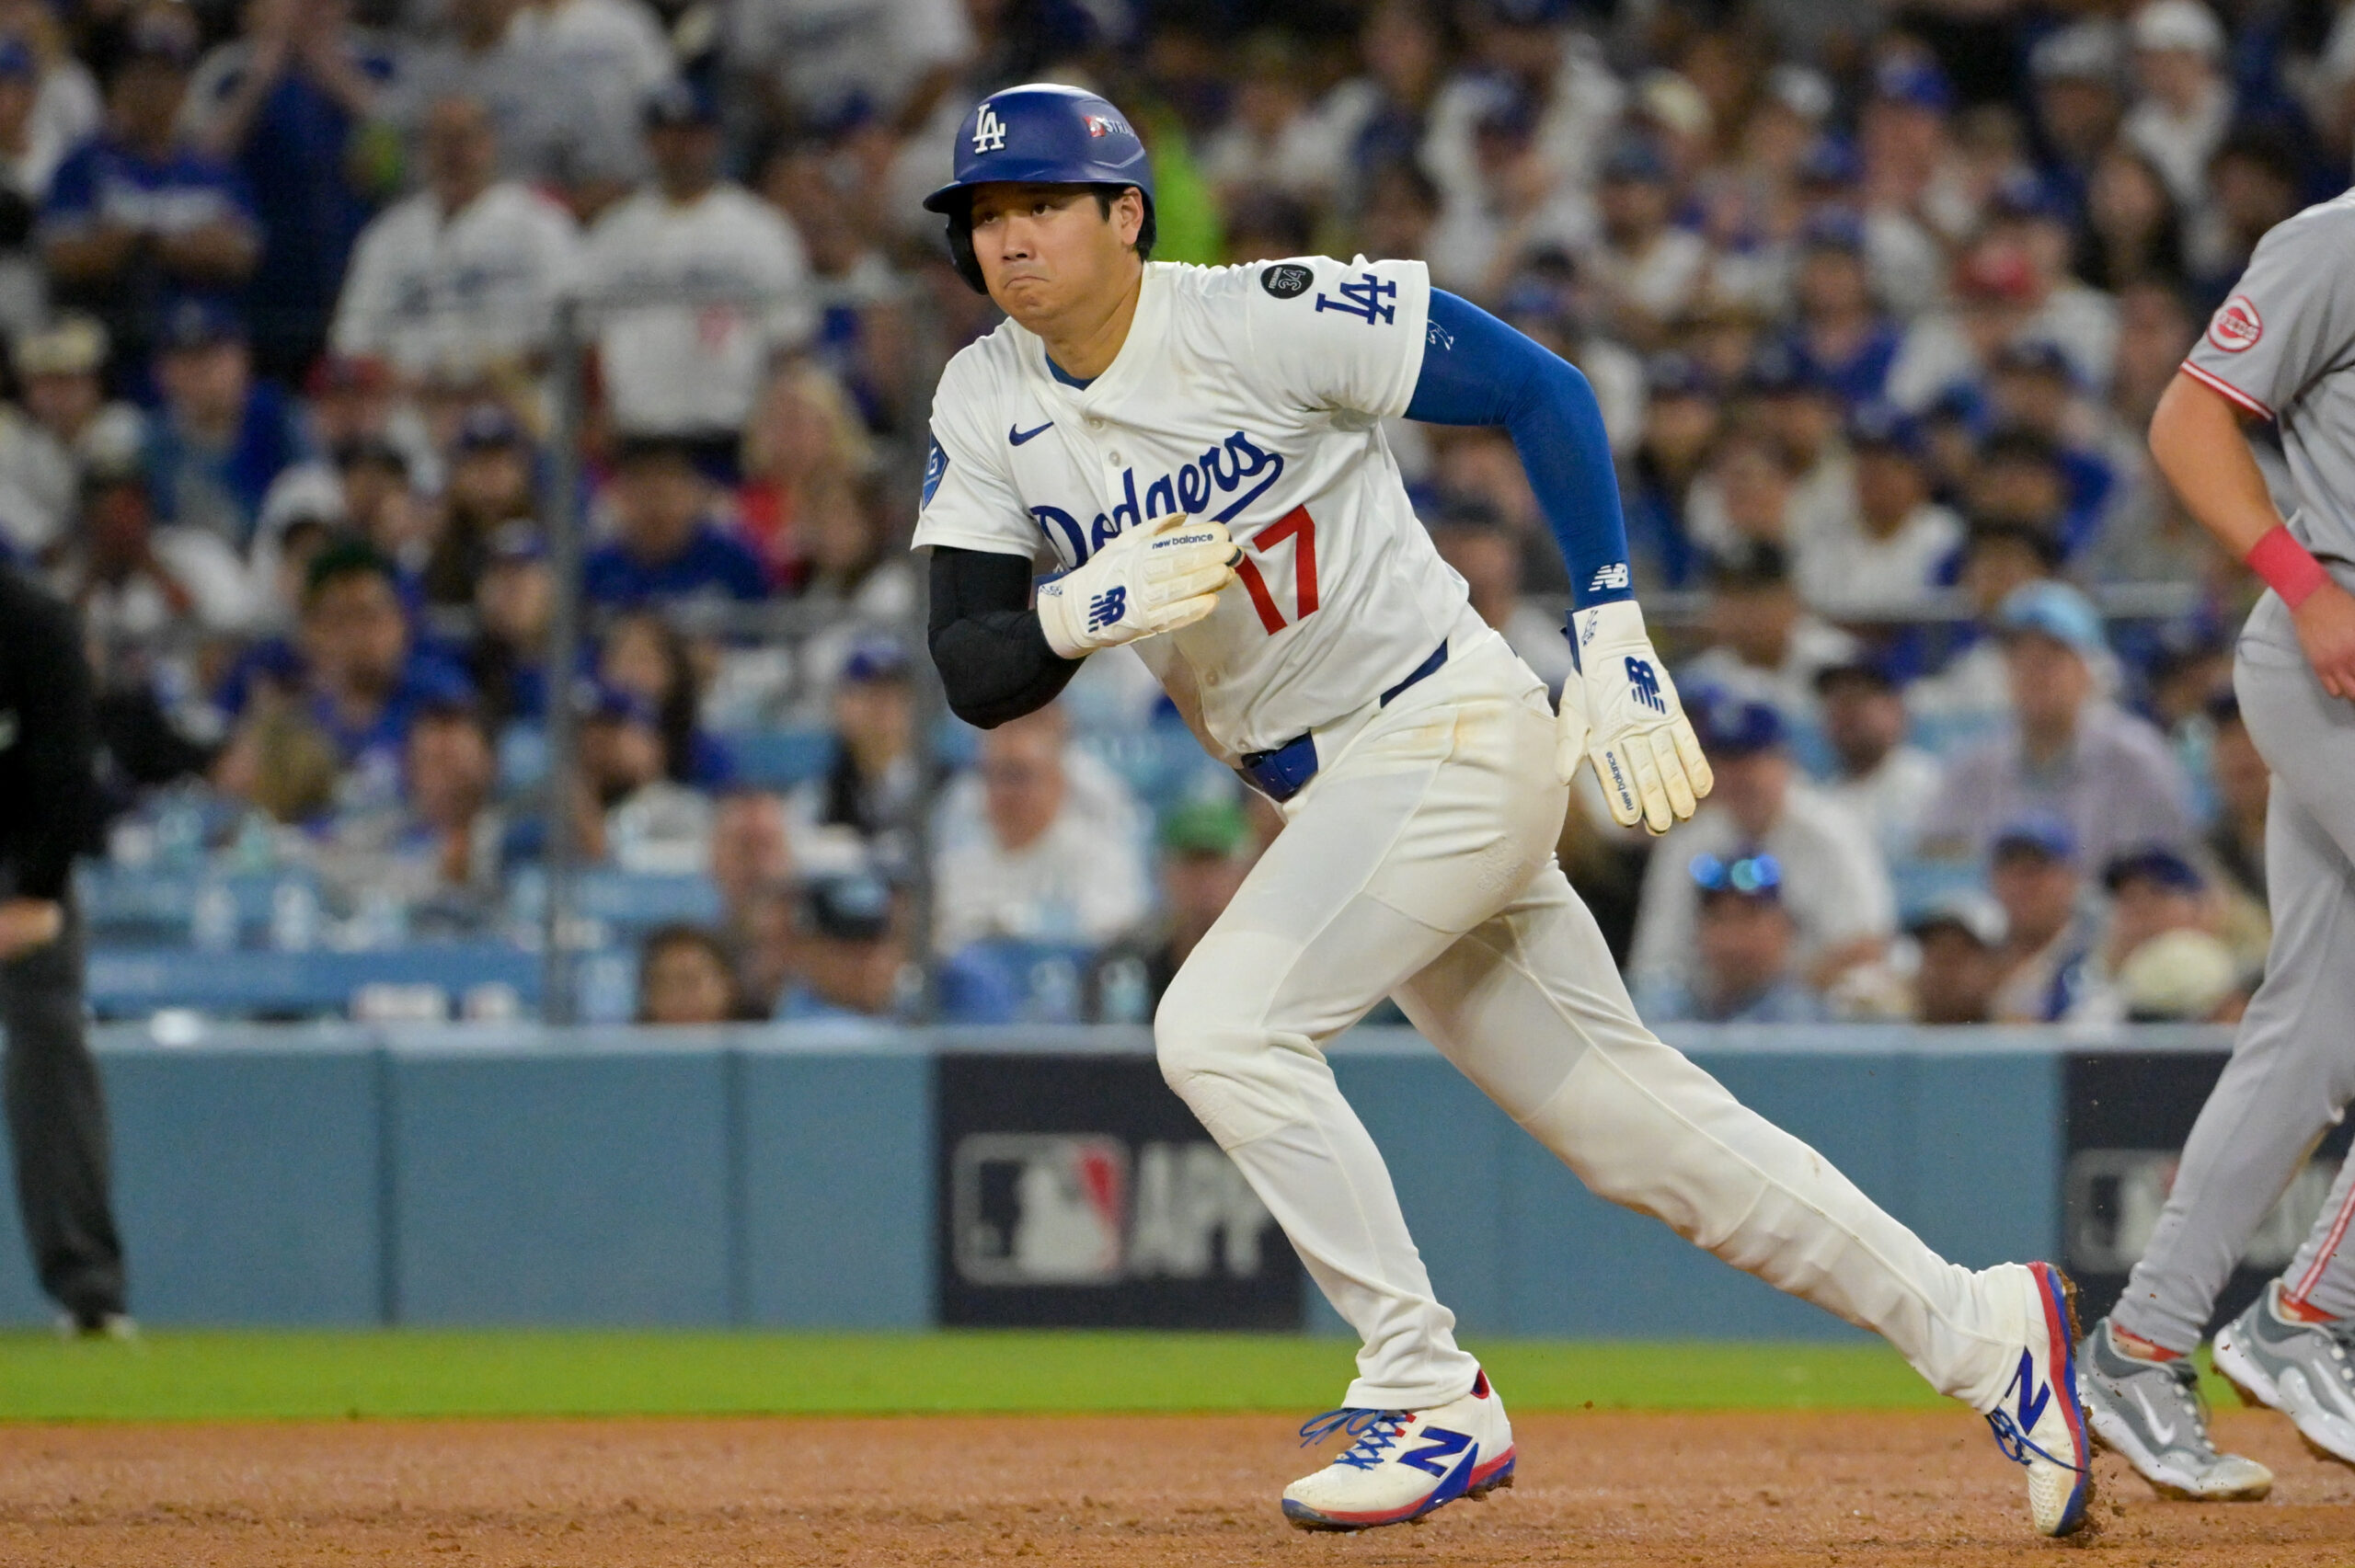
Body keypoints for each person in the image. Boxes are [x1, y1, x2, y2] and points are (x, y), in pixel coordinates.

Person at [913, 83, 2092, 1538]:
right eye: (984, 217)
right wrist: (1080, 606)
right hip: (1342, 792)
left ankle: (1426, 1388)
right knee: (1642, 1134)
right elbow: (971, 669)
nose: (1008, 240)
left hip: (1445, 727)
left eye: (1038, 205)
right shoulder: (984, 397)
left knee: (1216, 1027)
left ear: (1125, 214)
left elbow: (1545, 388)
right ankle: (1987, 1330)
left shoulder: (1255, 315)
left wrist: (1609, 623)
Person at [2075, 178, 2355, 1500]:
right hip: (2335, 640)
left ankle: (2138, 1349)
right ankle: (2310, 1319)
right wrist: (2301, 591)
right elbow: (2187, 420)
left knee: (2311, 1030)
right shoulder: (2337, 239)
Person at [0, 565, 128, 1336]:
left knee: (49, 1038)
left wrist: (36, 891)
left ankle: (90, 1293)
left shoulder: (35, 623)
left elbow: (66, 767)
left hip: (18, 865)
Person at [576, 80, 811, 470]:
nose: (681, 148)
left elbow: (789, 341)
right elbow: (587, 339)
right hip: (636, 435)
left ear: (715, 139)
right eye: (668, 135)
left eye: (692, 134)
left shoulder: (759, 228)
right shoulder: (614, 232)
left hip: (731, 432)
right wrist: (596, 413)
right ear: (650, 142)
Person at [39, 6, 258, 380]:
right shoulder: (84, 163)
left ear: (183, 87)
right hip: (110, 355)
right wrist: (178, 241)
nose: (149, 89)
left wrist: (137, 238)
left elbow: (240, 254)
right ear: (118, 83)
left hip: (202, 352)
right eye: (138, 74)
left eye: (162, 76)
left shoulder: (211, 169)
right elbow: (63, 255)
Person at [1914, 581, 2196, 869]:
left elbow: (2172, 873)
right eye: (2021, 657)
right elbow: (1937, 869)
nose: (2034, 672)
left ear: (2089, 670)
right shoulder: (1973, 768)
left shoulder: (2136, 760)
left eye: (2052, 657)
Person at [328, 94, 580, 388]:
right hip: (409, 410)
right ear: (424, 150)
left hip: (515, 406)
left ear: (489, 143)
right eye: (441, 141)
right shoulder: (387, 235)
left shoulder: (541, 224)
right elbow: (350, 344)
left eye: (463, 139)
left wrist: (479, 382)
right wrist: (418, 386)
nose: (453, 154)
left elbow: (573, 331)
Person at [928, 703, 1149, 958]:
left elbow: (1115, 935)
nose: (1007, 793)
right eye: (995, 777)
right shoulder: (957, 868)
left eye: (1019, 776)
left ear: (1057, 783)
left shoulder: (1098, 856)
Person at [1633, 852, 1826, 1024]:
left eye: (1747, 919)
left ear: (1785, 928)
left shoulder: (1802, 1020)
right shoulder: (1671, 1009)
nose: (1731, 939)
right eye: (1719, 919)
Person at [580, 435, 764, 609]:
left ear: (694, 494)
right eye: (644, 494)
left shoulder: (734, 561)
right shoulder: (598, 569)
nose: (656, 509)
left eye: (666, 494)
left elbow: (769, 631)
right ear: (623, 498)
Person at [772, 872, 906, 1023]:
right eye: (848, 948)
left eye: (877, 943)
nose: (869, 961)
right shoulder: (808, 1027)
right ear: (807, 949)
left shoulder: (905, 1006)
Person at [1907, 893, 2009, 1025]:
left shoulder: (2018, 1037)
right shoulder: (1888, 1035)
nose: (1941, 971)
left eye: (1955, 957)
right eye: (1933, 956)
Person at [635, 922, 738, 1025]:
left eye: (689, 981)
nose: (676, 998)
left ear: (727, 984)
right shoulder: (626, 1039)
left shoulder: (752, 1037)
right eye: (663, 986)